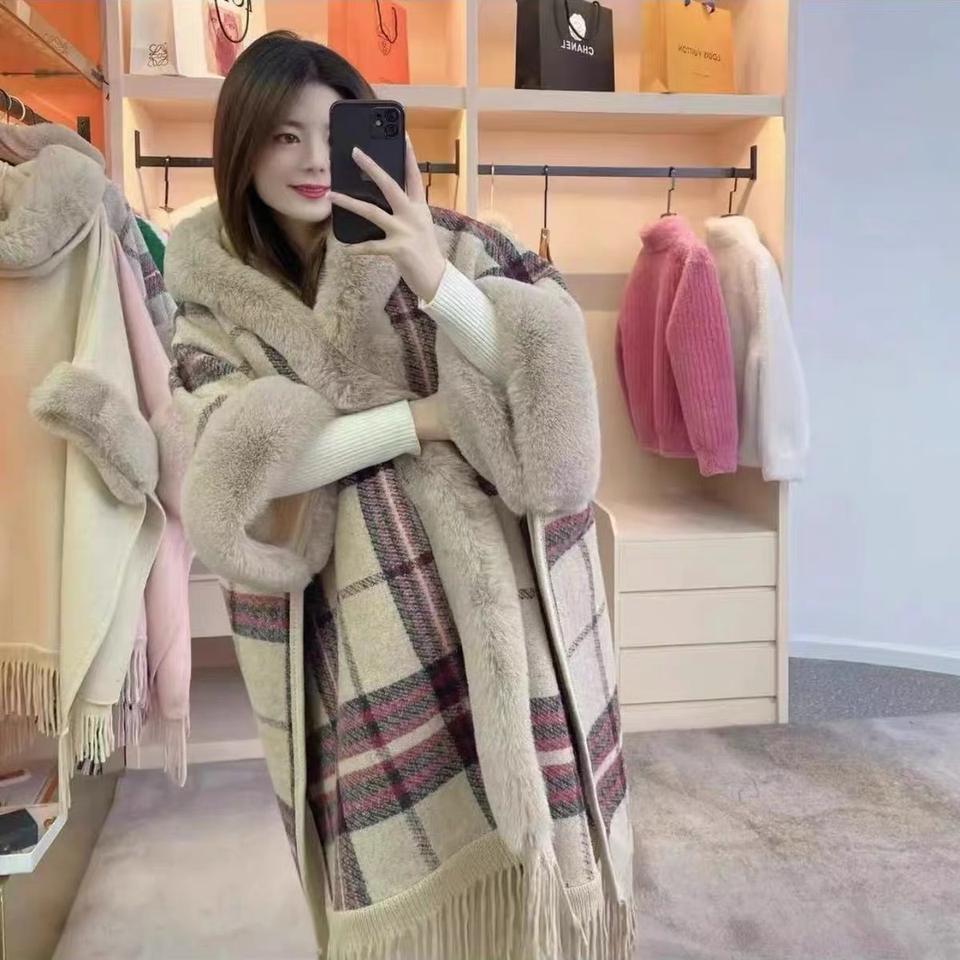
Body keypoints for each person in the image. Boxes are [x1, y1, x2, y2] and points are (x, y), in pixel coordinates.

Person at [163, 30, 635, 960]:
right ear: (241, 148)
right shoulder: (212, 299)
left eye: (332, 132)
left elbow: (550, 418)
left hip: (501, 604)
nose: (312, 161)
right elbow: (242, 467)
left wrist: (435, 277)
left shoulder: (459, 240)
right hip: (353, 622)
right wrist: (425, 420)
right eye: (283, 136)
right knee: (396, 881)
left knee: (533, 870)